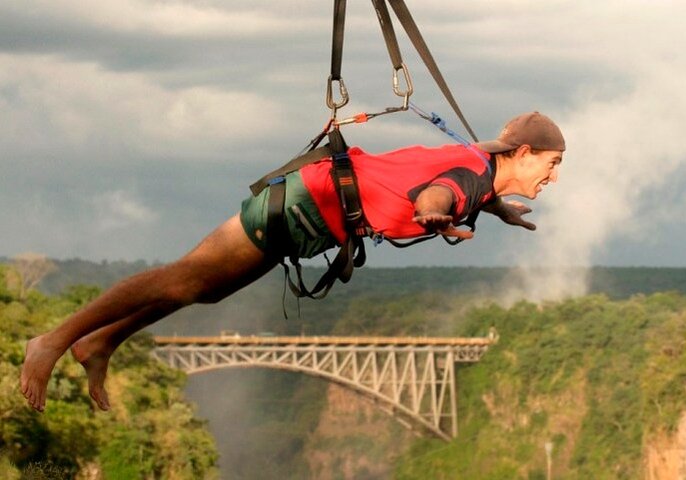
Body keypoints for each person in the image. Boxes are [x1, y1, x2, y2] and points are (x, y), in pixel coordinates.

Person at [21, 111, 565, 412]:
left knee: (201, 290)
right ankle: (51, 342)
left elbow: (468, 185)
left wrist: (498, 211)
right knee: (183, 280)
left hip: (311, 214)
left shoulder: (479, 168)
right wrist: (433, 215)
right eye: (552, 163)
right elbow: (440, 193)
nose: (554, 176)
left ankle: (100, 342)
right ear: (520, 154)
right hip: (301, 206)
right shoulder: (468, 179)